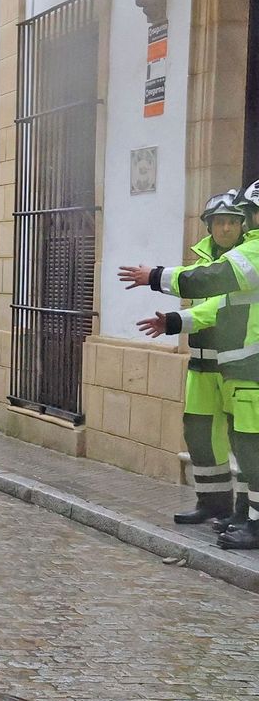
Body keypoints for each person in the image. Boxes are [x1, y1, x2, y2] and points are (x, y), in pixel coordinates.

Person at [131, 180, 259, 549]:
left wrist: (155, 277)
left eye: (236, 220)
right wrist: (175, 321)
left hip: (241, 367)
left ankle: (249, 517)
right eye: (218, 222)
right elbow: (216, 305)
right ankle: (227, 508)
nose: (228, 227)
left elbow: (211, 288)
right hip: (218, 367)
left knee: (249, 447)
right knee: (208, 437)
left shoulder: (244, 256)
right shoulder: (224, 255)